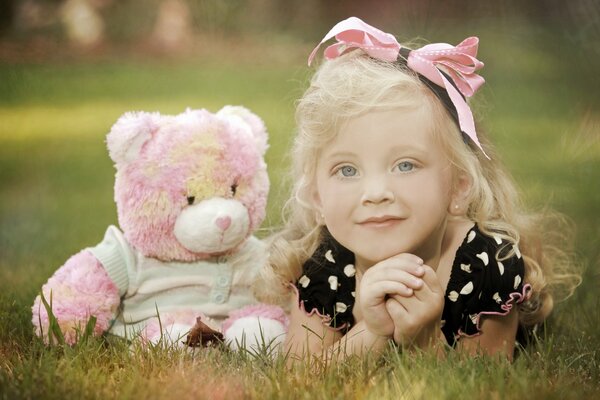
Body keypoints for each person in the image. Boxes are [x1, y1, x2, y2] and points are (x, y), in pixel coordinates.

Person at [257, 17, 581, 363]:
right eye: (347, 170)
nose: (376, 192)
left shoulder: (487, 264)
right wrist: (375, 330)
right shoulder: (326, 264)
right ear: (317, 197)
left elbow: (485, 380)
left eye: (405, 165)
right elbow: (298, 374)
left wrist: (425, 337)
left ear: (458, 187)